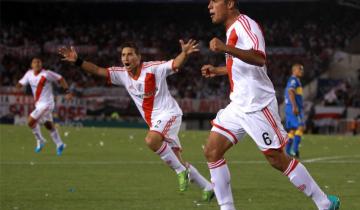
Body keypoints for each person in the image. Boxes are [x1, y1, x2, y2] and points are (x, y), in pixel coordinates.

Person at [200, 0, 340, 209]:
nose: (209, 6)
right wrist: (218, 70)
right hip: (238, 105)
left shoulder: (246, 25)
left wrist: (225, 48)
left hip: (257, 105)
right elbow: (239, 66)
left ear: (229, 3)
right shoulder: (231, 30)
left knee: (276, 159)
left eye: (215, 1)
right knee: (212, 151)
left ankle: (324, 202)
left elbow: (259, 58)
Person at [58, 40, 214, 201]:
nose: (126, 57)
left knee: (151, 140)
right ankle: (208, 187)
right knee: (177, 159)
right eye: (123, 55)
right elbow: (97, 70)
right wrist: (77, 61)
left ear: (138, 57)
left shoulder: (153, 69)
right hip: (155, 122)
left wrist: (185, 53)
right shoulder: (122, 74)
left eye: (130, 54)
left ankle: (180, 171)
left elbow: (174, 64)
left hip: (169, 114)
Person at [16, 57, 72, 155]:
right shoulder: (29, 74)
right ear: (31, 65)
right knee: (48, 125)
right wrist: (18, 87)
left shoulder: (47, 74)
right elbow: (20, 83)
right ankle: (60, 144)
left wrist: (67, 91)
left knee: (30, 121)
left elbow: (61, 79)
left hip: (47, 104)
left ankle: (40, 140)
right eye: (35, 62)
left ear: (41, 64)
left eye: (39, 62)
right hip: (39, 104)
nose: (37, 64)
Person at [285, 64, 305, 158]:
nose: (301, 71)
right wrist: (294, 106)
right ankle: (295, 150)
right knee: (300, 127)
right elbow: (291, 91)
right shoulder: (294, 80)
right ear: (294, 70)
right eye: (299, 69)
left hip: (291, 108)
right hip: (293, 108)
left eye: (302, 70)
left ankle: (288, 151)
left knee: (292, 130)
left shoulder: (296, 80)